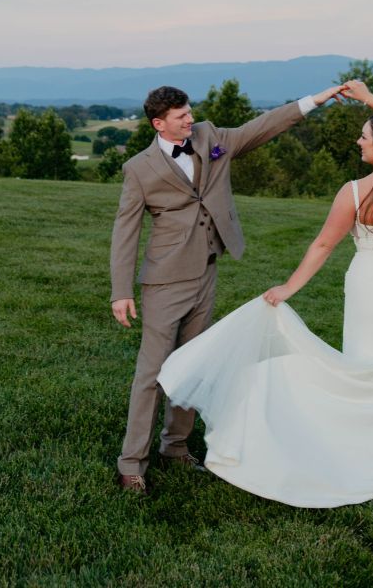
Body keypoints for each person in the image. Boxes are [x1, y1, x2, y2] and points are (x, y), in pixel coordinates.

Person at [157, 80, 373, 507]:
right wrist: (368, 99)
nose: (358, 141)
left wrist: (289, 287)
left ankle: (361, 457)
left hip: (372, 289)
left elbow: (323, 245)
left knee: (362, 368)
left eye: (364, 136)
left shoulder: (355, 192)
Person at [111, 82, 342, 493]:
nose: (191, 119)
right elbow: (125, 231)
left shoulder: (210, 137)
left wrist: (314, 101)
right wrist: (121, 290)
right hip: (165, 280)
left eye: (189, 111)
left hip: (207, 271)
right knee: (152, 373)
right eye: (181, 116)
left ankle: (175, 448)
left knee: (194, 363)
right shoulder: (139, 168)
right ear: (159, 124)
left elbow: (260, 128)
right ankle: (131, 464)